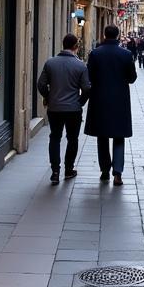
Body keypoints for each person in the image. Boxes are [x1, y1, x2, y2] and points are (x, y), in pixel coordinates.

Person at [84, 24, 137, 185]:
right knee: (119, 136)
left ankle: (105, 170)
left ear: (104, 35)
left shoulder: (95, 54)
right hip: (120, 100)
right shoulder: (126, 54)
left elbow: (89, 77)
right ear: (118, 35)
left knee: (102, 136)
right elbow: (132, 78)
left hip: (99, 99)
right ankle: (118, 173)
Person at [37, 33, 91, 184]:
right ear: (75, 47)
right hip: (73, 109)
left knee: (55, 137)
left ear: (63, 44)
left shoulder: (50, 63)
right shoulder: (80, 65)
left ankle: (55, 171)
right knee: (72, 139)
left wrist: (48, 97)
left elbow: (41, 84)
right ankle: (68, 170)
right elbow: (87, 88)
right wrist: (80, 102)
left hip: (54, 108)